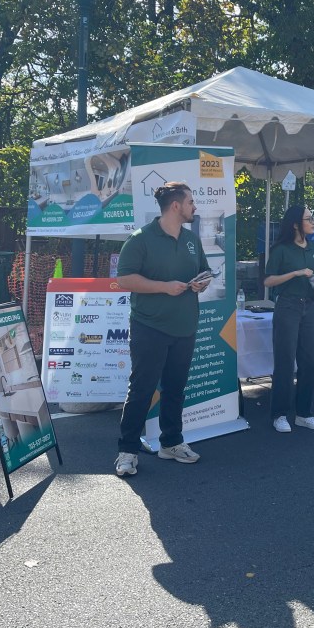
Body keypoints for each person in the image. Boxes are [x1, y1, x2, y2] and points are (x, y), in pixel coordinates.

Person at [113, 182, 211, 477]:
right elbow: (124, 280)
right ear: (176, 206)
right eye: (191, 201)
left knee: (175, 389)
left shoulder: (192, 239)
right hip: (149, 326)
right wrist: (164, 287)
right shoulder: (140, 239)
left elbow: (204, 271)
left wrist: (202, 282)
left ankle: (171, 443)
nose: (195, 206)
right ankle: (127, 451)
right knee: (142, 390)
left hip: (185, 326)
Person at [263, 205, 314, 433]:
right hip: (287, 306)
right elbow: (268, 281)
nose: (312, 222)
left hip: (309, 306)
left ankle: (304, 413)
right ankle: (279, 414)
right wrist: (295, 273)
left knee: (310, 362)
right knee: (285, 361)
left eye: (312, 218)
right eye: (308, 219)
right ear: (295, 224)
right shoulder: (281, 250)